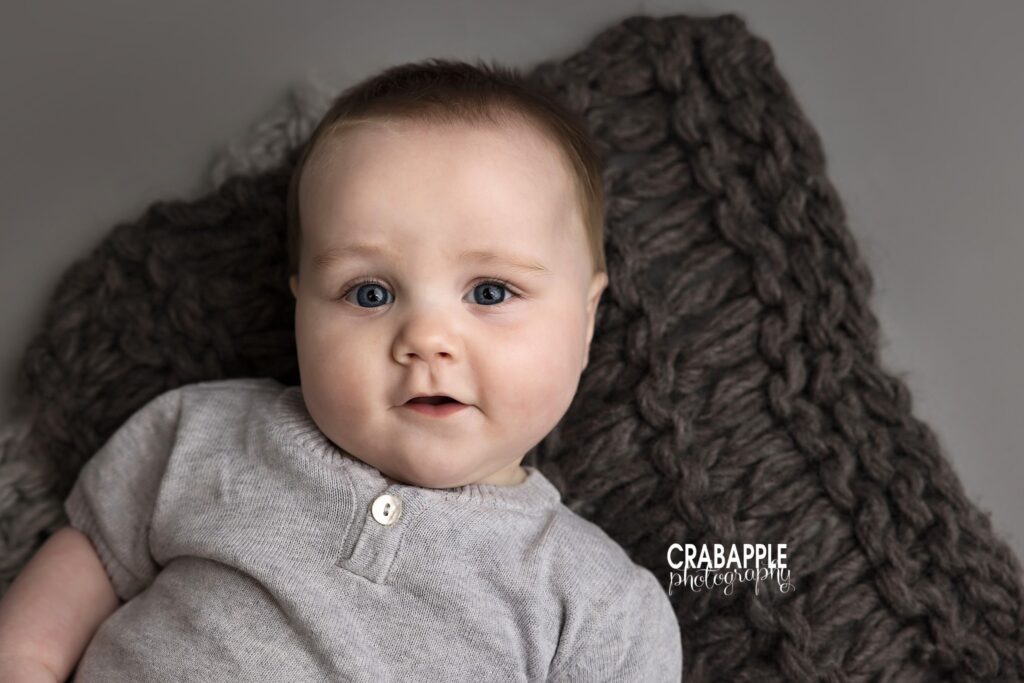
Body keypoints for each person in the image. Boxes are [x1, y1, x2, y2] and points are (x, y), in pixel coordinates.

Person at [0, 58, 683, 681]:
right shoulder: (207, 432)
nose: (426, 339)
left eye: (490, 292)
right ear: (302, 308)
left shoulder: (600, 607)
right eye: (370, 293)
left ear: (586, 316)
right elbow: (73, 578)